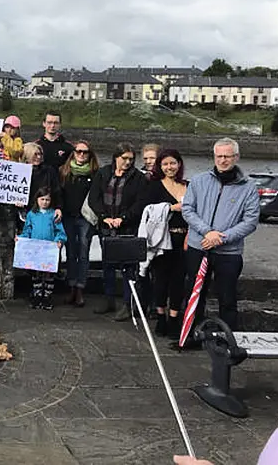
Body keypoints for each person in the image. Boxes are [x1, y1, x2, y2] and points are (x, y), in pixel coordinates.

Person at [181, 138, 259, 334]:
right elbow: (188, 210)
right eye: (219, 156)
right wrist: (207, 232)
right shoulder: (198, 180)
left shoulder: (249, 186)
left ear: (236, 157)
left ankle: (228, 341)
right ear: (214, 156)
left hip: (229, 253)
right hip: (199, 247)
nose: (223, 160)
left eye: (227, 156)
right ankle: (191, 335)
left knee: (228, 298)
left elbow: (250, 221)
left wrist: (221, 238)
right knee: (195, 294)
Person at [89, 142, 149, 321]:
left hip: (127, 227)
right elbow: (94, 197)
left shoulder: (138, 178)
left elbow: (140, 202)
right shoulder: (103, 173)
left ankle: (127, 303)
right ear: (116, 157)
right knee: (107, 264)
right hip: (106, 226)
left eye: (131, 159)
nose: (128, 162)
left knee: (128, 268)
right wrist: (103, 217)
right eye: (125, 158)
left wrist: (123, 218)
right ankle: (108, 299)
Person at [147, 149, 188, 339]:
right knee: (160, 280)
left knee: (178, 281)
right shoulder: (154, 186)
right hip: (162, 240)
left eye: (173, 163)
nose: (169, 167)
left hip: (184, 239)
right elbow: (148, 212)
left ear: (179, 164)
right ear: (160, 166)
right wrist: (172, 208)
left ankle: (174, 318)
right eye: (165, 164)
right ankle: (161, 316)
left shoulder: (189, 186)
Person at [59, 140, 99, 307]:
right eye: (78, 151)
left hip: (85, 219)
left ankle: (80, 288)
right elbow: (58, 194)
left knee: (83, 253)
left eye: (85, 152)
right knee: (70, 253)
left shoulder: (96, 173)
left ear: (90, 154)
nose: (81, 154)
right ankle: (71, 287)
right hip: (68, 217)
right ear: (73, 153)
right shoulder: (63, 172)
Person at [19, 186, 67, 310]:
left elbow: (60, 232)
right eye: (42, 199)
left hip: (49, 249)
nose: (45, 202)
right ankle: (37, 295)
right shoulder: (31, 214)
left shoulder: (53, 214)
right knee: (36, 274)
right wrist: (21, 239)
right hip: (36, 249)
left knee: (49, 274)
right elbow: (27, 230)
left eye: (47, 200)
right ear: (37, 200)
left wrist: (59, 241)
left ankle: (47, 297)